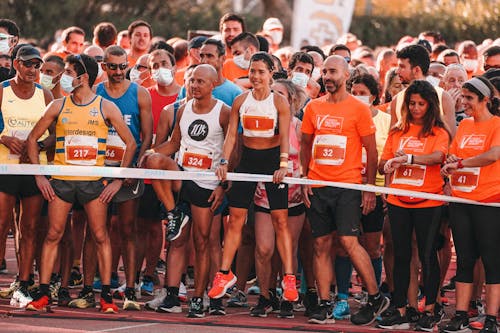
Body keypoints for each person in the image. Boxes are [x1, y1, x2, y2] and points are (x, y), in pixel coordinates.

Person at [25, 53, 136, 313]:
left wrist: (117, 181)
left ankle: (106, 297)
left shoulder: (105, 106)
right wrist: (39, 176)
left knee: (100, 236)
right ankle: (43, 295)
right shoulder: (58, 106)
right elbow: (32, 139)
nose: (63, 77)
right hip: (62, 182)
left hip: (93, 184)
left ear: (83, 77)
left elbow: (131, 143)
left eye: (68, 72)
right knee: (53, 235)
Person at [300, 55, 389, 325]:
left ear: (346, 75)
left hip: (347, 186)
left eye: (333, 72)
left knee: (350, 242)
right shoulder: (313, 107)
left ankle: (375, 298)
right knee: (320, 244)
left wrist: (369, 189)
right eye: (325, 71)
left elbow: (371, 151)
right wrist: (304, 179)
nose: (328, 76)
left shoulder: (358, 109)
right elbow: (305, 144)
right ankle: (325, 304)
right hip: (318, 185)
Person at [207, 52, 299, 306]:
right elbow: (232, 138)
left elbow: (283, 139)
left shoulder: (279, 102)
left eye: (261, 71)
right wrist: (224, 163)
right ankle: (224, 273)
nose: (256, 76)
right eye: (252, 71)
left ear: (271, 74)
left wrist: (282, 166)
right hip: (248, 161)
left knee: (280, 220)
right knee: (235, 219)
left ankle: (289, 278)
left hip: (271, 162)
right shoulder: (240, 100)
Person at [143, 64, 230, 318]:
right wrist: (149, 155)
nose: (194, 85)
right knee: (177, 240)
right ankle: (171, 294)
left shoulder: (223, 112)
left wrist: (224, 186)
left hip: (207, 184)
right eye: (191, 80)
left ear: (213, 85)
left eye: (200, 81)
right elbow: (173, 143)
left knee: (202, 243)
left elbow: (233, 150)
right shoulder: (182, 110)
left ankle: (199, 297)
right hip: (183, 177)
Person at [377, 80, 451, 331]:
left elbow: (438, 157)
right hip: (398, 201)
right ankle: (400, 309)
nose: (416, 108)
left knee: (427, 255)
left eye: (421, 103)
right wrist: (387, 166)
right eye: (412, 103)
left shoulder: (438, 132)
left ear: (430, 105)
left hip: (428, 201)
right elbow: (383, 161)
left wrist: (409, 158)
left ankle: (429, 309)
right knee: (401, 255)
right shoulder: (398, 131)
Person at [93, 45, 152, 311]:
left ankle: (131, 286)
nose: (117, 71)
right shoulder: (96, 92)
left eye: (122, 66)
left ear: (127, 65)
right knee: (99, 230)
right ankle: (98, 283)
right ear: (103, 66)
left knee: (128, 229)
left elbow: (147, 136)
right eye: (112, 66)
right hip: (100, 170)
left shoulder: (140, 93)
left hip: (127, 171)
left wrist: (135, 166)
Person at [440, 76, 500, 333]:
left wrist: (462, 163)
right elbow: (456, 153)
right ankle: (461, 315)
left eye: (469, 98)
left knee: (491, 260)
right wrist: (453, 159)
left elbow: (493, 155)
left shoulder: (497, 124)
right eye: (462, 97)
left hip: (488, 200)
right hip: (461, 199)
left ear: (485, 100)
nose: (464, 102)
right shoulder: (464, 126)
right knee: (464, 258)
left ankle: (492, 319)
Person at [330, 73, 391, 321]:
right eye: (353, 91)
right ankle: (342, 297)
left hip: (374, 191)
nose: (357, 97)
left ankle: (371, 296)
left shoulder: (386, 120)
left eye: (362, 93)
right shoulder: (345, 114)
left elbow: (388, 154)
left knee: (373, 248)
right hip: (347, 189)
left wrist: (381, 190)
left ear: (374, 96)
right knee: (344, 246)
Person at [0, 45, 54, 309]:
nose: (33, 70)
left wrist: (38, 146)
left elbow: (57, 133)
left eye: (37, 65)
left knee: (29, 228)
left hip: (34, 167)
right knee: (1, 225)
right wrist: (4, 138)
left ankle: (23, 282)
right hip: (5, 167)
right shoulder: (2, 89)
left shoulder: (45, 94)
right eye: (28, 64)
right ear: (16, 64)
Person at [251, 79, 308, 319]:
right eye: (270, 92)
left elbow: (306, 159)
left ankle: (287, 296)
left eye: (279, 94)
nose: (273, 97)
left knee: (289, 250)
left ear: (291, 100)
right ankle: (266, 295)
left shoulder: (298, 127)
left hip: (292, 198)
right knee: (264, 248)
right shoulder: (259, 125)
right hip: (264, 195)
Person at [391, 44, 456, 137]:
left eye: (402, 67)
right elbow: (392, 138)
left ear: (416, 70)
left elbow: (450, 140)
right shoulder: (396, 100)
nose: (397, 71)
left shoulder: (443, 97)